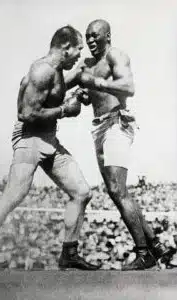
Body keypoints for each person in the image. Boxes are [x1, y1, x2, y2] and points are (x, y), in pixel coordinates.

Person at [0, 25, 99, 272]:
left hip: (48, 139)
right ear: (65, 47)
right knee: (13, 195)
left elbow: (55, 92)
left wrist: (76, 89)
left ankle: (69, 254)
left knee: (81, 192)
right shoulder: (42, 71)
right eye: (77, 51)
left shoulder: (54, 71)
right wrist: (65, 111)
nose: (79, 56)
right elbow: (26, 113)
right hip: (29, 139)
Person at [65, 19, 175, 270]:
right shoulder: (87, 64)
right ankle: (156, 246)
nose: (91, 40)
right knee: (118, 191)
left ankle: (143, 253)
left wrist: (95, 83)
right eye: (87, 37)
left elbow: (128, 87)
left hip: (117, 123)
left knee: (116, 189)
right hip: (98, 127)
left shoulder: (116, 56)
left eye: (95, 36)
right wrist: (72, 92)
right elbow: (66, 83)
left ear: (107, 36)